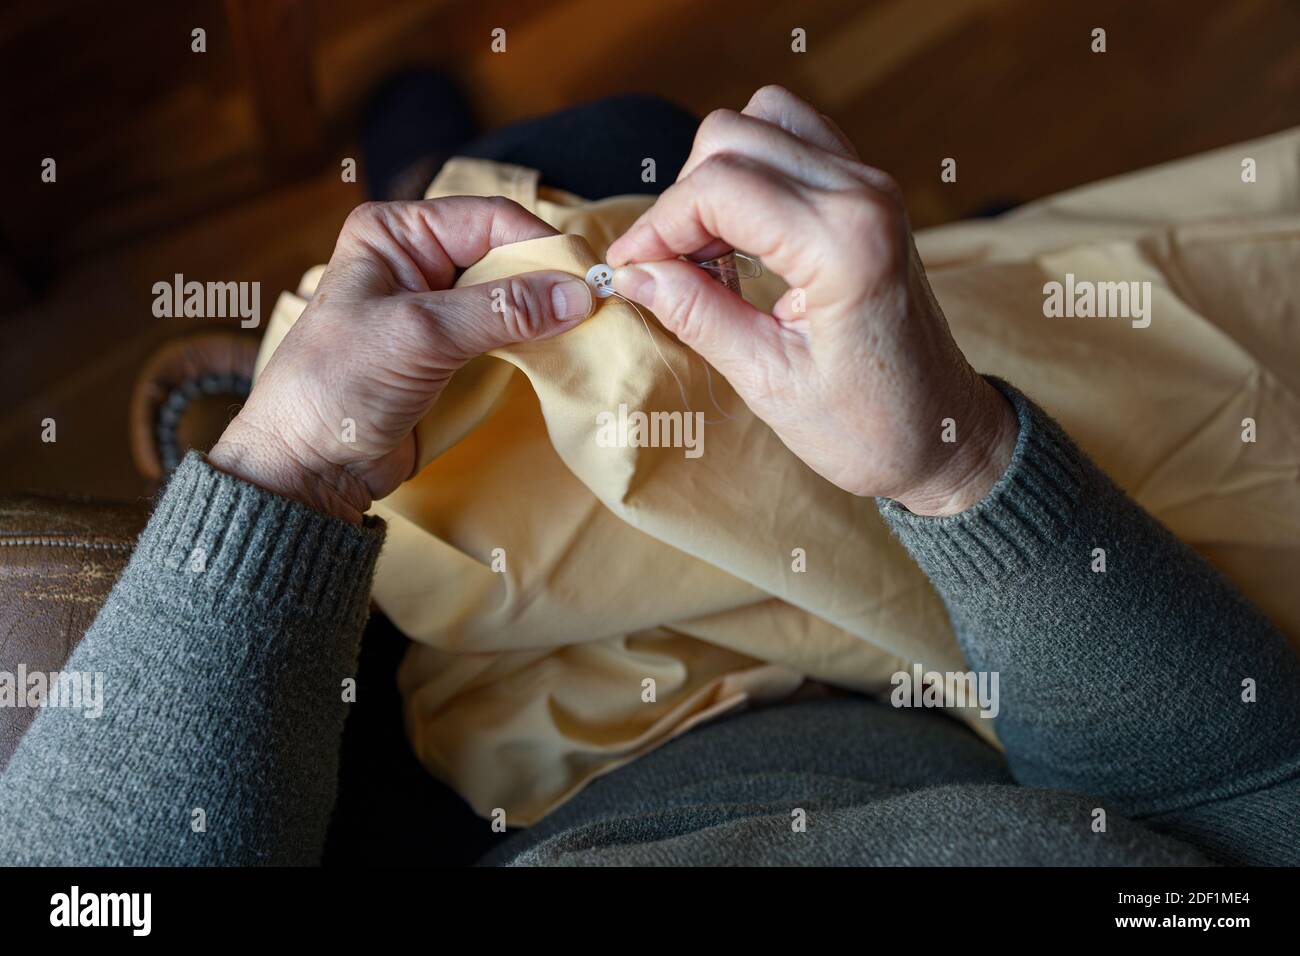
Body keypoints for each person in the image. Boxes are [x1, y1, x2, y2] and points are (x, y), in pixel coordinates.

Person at [1, 85, 1297, 866]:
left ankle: (393, 210)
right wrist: (954, 463)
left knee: (591, 162)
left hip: (457, 795)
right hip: (980, 715)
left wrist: (286, 471)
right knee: (618, 149)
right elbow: (1250, 803)